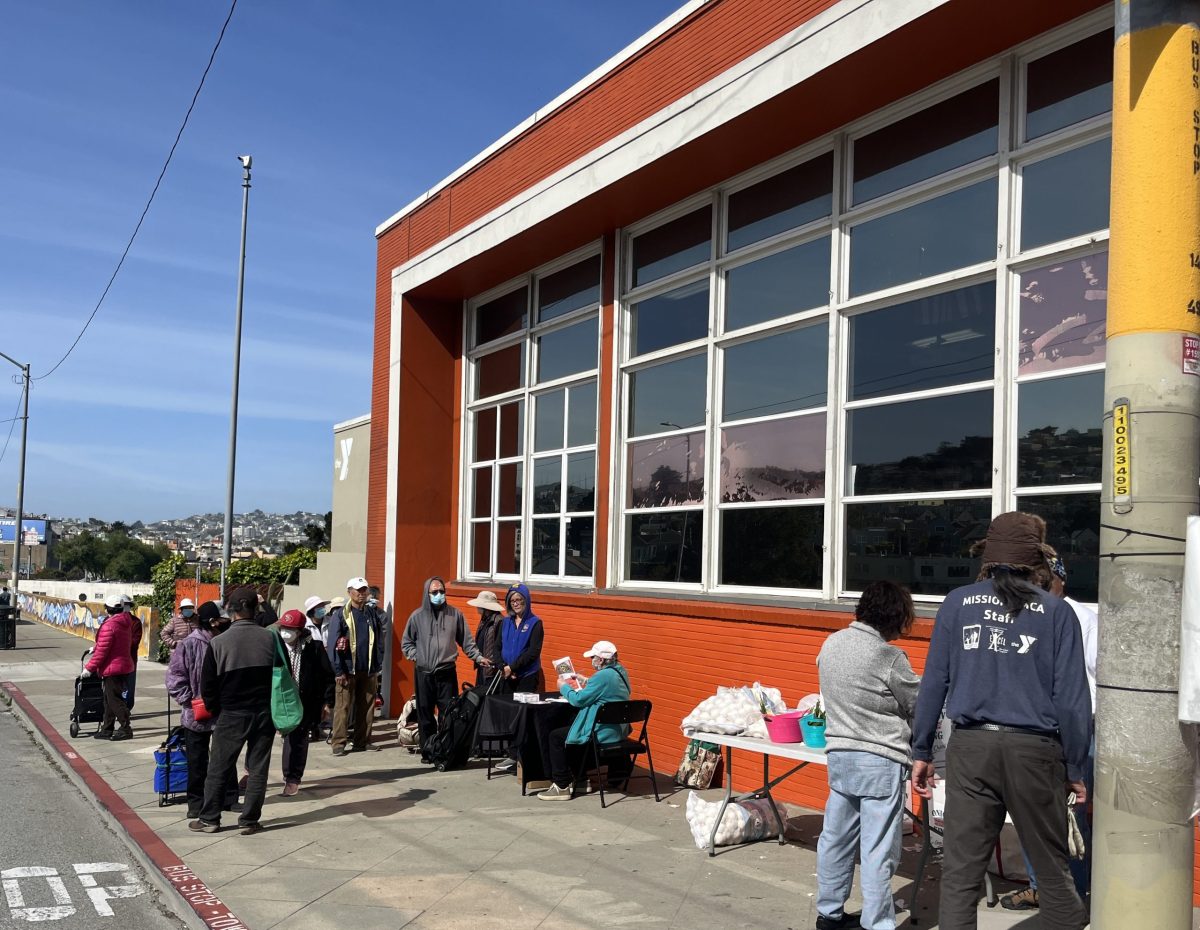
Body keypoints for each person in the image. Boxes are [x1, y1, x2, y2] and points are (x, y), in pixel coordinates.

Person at [911, 512, 1091, 930]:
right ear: (1037, 559)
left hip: (971, 749)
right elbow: (1071, 700)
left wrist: (921, 750)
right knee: (1052, 870)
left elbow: (934, 682)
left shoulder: (956, 603)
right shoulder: (1055, 612)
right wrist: (1077, 767)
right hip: (1036, 751)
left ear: (988, 555)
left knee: (960, 874)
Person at [814, 581, 921, 930]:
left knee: (836, 837)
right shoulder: (889, 657)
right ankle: (878, 923)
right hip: (880, 758)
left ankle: (829, 914)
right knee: (878, 849)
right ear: (895, 618)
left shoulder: (831, 643)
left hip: (840, 754)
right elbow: (918, 703)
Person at [1001, 555, 1098, 912]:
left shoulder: (1082, 618)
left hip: (1073, 732)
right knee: (1029, 814)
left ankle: (1076, 894)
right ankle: (1040, 887)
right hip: (1034, 732)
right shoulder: (1029, 616)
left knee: (1070, 817)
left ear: (1060, 581)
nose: (1040, 587)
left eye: (1046, 581)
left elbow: (1092, 682)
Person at [190, 586, 278, 836]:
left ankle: (209, 820)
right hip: (263, 713)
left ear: (233, 610)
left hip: (231, 713)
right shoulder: (270, 638)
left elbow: (207, 686)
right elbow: (283, 677)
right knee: (258, 768)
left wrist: (217, 710)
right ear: (255, 609)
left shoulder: (218, 642)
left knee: (218, 767)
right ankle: (249, 820)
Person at [400, 576, 488, 763]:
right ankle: (428, 750)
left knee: (448, 713)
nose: (439, 595)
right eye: (434, 592)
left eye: (441, 591)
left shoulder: (455, 615)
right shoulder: (417, 617)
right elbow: (407, 643)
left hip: (446, 671)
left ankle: (445, 748)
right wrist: (417, 655)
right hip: (424, 672)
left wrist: (479, 658)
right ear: (427, 594)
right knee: (425, 713)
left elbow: (467, 642)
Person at [165, 601, 238, 817]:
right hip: (196, 715)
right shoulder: (189, 644)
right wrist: (190, 701)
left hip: (223, 711)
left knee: (226, 757)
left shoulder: (224, 642)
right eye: (221, 619)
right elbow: (174, 678)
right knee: (196, 762)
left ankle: (229, 798)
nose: (225, 622)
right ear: (212, 621)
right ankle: (196, 804)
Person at [540, 640, 631, 801]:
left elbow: (578, 700)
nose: (591, 661)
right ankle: (581, 780)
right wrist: (586, 681)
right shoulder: (620, 672)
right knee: (570, 732)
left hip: (601, 732)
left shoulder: (602, 675)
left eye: (593, 658)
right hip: (616, 729)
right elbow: (607, 688)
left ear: (601, 659)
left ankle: (561, 785)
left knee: (556, 736)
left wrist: (563, 687)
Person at [276, 609, 335, 795]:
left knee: (298, 739)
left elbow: (327, 676)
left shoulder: (314, 648)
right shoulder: (275, 646)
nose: (285, 632)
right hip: (278, 700)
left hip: (304, 701)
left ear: (300, 631)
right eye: (283, 627)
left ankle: (292, 778)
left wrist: (327, 702)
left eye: (290, 629)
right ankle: (250, 772)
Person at [326, 577, 386, 756]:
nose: (362, 594)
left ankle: (362, 741)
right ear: (349, 592)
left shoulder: (371, 613)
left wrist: (377, 664)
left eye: (364, 590)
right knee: (343, 707)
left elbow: (379, 641)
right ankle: (339, 743)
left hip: (368, 669)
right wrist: (338, 670)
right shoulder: (340, 615)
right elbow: (333, 643)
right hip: (346, 670)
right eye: (358, 590)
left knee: (367, 707)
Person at [492, 583, 544, 774]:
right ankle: (512, 755)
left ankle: (524, 756)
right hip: (507, 676)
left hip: (526, 677)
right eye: (513, 600)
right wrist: (502, 667)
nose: (516, 604)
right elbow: (496, 648)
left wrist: (512, 667)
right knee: (510, 717)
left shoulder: (536, 623)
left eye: (519, 600)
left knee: (524, 718)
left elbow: (533, 652)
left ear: (526, 600)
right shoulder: (505, 622)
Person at [83, 593, 135, 741]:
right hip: (123, 665)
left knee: (114, 700)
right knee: (108, 699)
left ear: (108, 609)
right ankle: (107, 728)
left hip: (113, 668)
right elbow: (110, 645)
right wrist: (97, 647)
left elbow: (102, 653)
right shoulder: (125, 622)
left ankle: (126, 728)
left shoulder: (110, 625)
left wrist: (89, 668)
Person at [467, 590, 504, 690]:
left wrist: (494, 664)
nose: (477, 607)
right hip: (483, 667)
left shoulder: (499, 621)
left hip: (491, 670)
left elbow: (499, 647)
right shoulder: (485, 620)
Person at [121, 593, 143, 712]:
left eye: (127, 605)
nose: (125, 607)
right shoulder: (109, 620)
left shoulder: (135, 622)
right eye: (123, 605)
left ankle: (127, 708)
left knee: (129, 687)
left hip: (130, 661)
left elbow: (135, 641)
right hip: (112, 662)